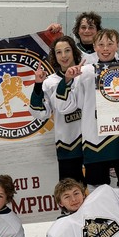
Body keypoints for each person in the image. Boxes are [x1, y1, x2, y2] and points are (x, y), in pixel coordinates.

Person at [54, 29, 119, 189]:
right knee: (98, 192)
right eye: (101, 44)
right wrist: (67, 80)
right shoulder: (84, 72)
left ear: (118, 45)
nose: (105, 48)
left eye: (110, 44)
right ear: (94, 47)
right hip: (95, 142)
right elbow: (64, 107)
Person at [29, 35, 84, 184]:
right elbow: (40, 112)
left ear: (74, 52)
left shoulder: (87, 75)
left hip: (93, 144)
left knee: (97, 190)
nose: (63, 56)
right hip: (68, 145)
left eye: (67, 50)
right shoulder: (50, 82)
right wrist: (38, 84)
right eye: (59, 52)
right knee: (70, 192)